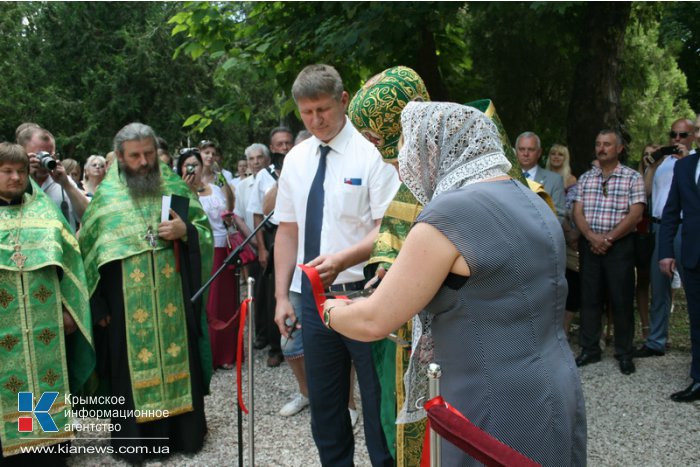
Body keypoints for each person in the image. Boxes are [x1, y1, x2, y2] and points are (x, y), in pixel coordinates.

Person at [324, 101, 587, 466]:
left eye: (406, 149)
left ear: (432, 151)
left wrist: (331, 310)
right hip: (554, 383)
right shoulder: (532, 198)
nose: (403, 163)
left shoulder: (448, 214)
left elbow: (373, 321)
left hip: (488, 396)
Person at [274, 64, 397, 466]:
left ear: (343, 100)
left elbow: (387, 229)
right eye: (306, 113)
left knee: (379, 402)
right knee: (325, 404)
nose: (316, 120)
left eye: (323, 110)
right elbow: (288, 230)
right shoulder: (295, 158)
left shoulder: (372, 153)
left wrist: (344, 258)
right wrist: (281, 296)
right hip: (312, 297)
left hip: (365, 295)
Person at [79, 123, 214, 462]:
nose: (144, 162)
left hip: (173, 297)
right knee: (130, 367)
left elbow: (203, 232)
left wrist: (186, 232)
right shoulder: (106, 198)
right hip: (125, 307)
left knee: (178, 358)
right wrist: (98, 305)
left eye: (149, 154)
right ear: (120, 158)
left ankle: (184, 436)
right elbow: (87, 254)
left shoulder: (172, 185)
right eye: (135, 156)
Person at [0, 142, 94, 465]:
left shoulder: (44, 212)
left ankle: (48, 452)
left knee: (44, 390)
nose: (15, 177)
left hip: (46, 328)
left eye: (21, 171)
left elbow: (70, 264)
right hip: (5, 330)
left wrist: (70, 309)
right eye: (7, 171)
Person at [573, 129, 646, 374]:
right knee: (590, 299)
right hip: (590, 244)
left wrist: (609, 238)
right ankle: (590, 349)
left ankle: (624, 352)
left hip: (620, 246)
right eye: (598, 144)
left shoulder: (632, 177)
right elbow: (577, 212)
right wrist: (592, 237)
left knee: (621, 299)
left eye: (607, 144)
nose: (601, 148)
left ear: (619, 149)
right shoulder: (585, 178)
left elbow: (636, 214)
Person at [177, 147, 240, 370]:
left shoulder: (214, 187)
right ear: (181, 168)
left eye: (196, 164)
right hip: (198, 249)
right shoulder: (179, 190)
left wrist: (222, 179)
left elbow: (230, 207)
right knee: (207, 301)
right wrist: (185, 189)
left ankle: (226, 353)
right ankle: (206, 354)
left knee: (224, 300)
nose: (193, 168)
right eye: (188, 165)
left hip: (222, 246)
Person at [636, 119, 694, 358]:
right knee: (659, 287)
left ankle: (695, 344)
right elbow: (645, 192)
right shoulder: (663, 162)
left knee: (693, 287)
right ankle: (656, 340)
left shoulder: (695, 163)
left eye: (682, 135)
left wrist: (686, 161)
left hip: (687, 227)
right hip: (661, 227)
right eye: (673, 135)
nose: (676, 140)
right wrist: (654, 164)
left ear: (692, 137)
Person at [658, 114, 700, 402]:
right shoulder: (684, 167)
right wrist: (666, 253)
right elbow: (671, 211)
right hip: (693, 254)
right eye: (698, 129)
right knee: (697, 319)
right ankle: (698, 378)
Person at [17, 125, 88, 232]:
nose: (45, 160)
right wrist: (27, 178)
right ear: (22, 154)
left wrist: (67, 185)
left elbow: (89, 217)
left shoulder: (64, 181)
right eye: (38, 155)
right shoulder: (11, 182)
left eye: (49, 155)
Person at [516, 131, 566, 221]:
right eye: (521, 149)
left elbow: (559, 215)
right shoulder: (506, 178)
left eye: (531, 149)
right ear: (516, 151)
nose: (526, 154)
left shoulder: (555, 180)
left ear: (539, 152)